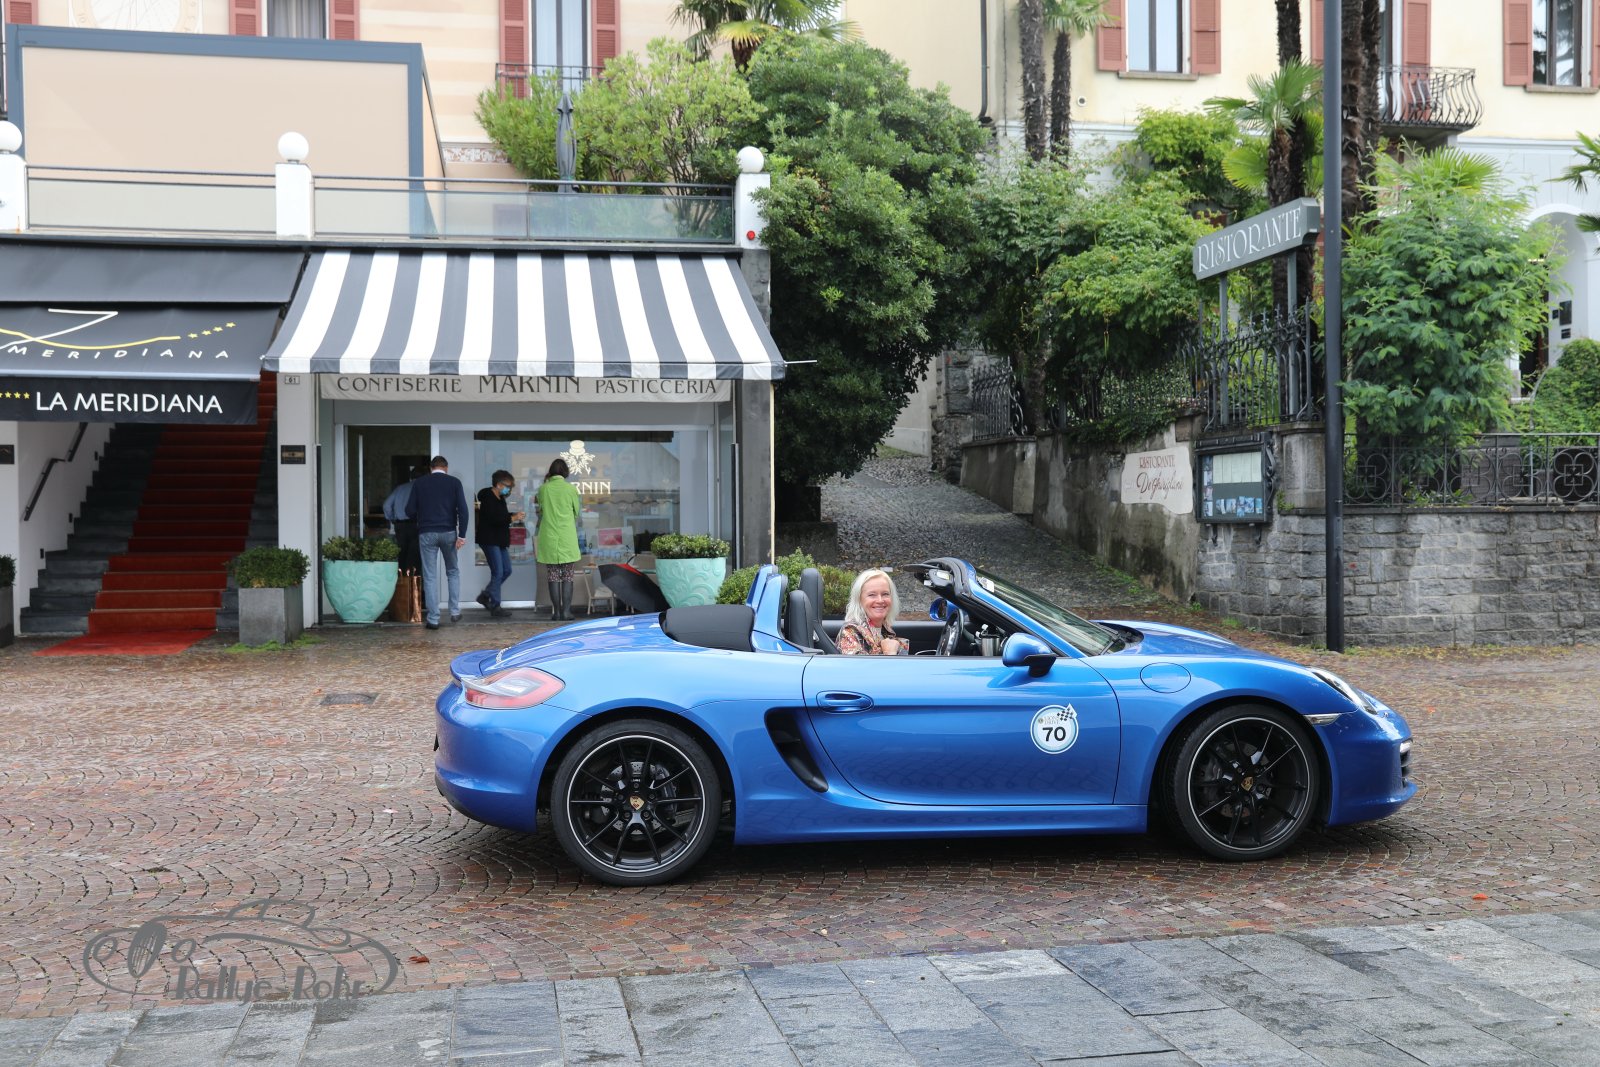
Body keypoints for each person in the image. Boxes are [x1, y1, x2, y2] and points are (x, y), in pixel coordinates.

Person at [405, 454, 469, 630]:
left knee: (430, 576)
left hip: (427, 533)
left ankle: (433, 619)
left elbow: (409, 510)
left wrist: (422, 515)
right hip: (448, 533)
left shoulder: (420, 483)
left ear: (430, 468)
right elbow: (463, 511)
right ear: (446, 468)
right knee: (453, 571)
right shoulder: (454, 483)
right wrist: (462, 535)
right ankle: (454, 611)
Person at [535, 458, 582, 620]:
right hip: (567, 536)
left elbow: (541, 510)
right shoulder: (571, 489)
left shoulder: (543, 489)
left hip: (549, 536)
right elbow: (576, 512)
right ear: (565, 472)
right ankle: (566, 612)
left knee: (553, 575)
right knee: (568, 575)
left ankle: (556, 612)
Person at [475, 469, 524, 618]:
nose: (508, 489)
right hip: (489, 539)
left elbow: (501, 516)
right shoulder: (488, 498)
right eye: (507, 486)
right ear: (498, 484)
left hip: (499, 540)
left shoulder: (500, 498)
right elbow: (494, 519)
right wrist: (512, 518)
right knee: (498, 572)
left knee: (506, 570)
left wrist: (512, 515)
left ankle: (485, 595)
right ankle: (495, 606)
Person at [837, 568, 908, 656]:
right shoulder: (850, 632)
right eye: (872, 595)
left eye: (885, 594)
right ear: (859, 600)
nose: (880, 600)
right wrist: (890, 653)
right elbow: (857, 665)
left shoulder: (885, 631)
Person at [382, 466, 422, 574]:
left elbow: (386, 505)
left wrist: (392, 518)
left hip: (400, 525)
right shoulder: (422, 488)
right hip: (415, 525)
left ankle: (401, 580)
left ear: (411, 476)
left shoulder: (400, 488)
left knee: (401, 554)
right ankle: (413, 582)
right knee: (415, 556)